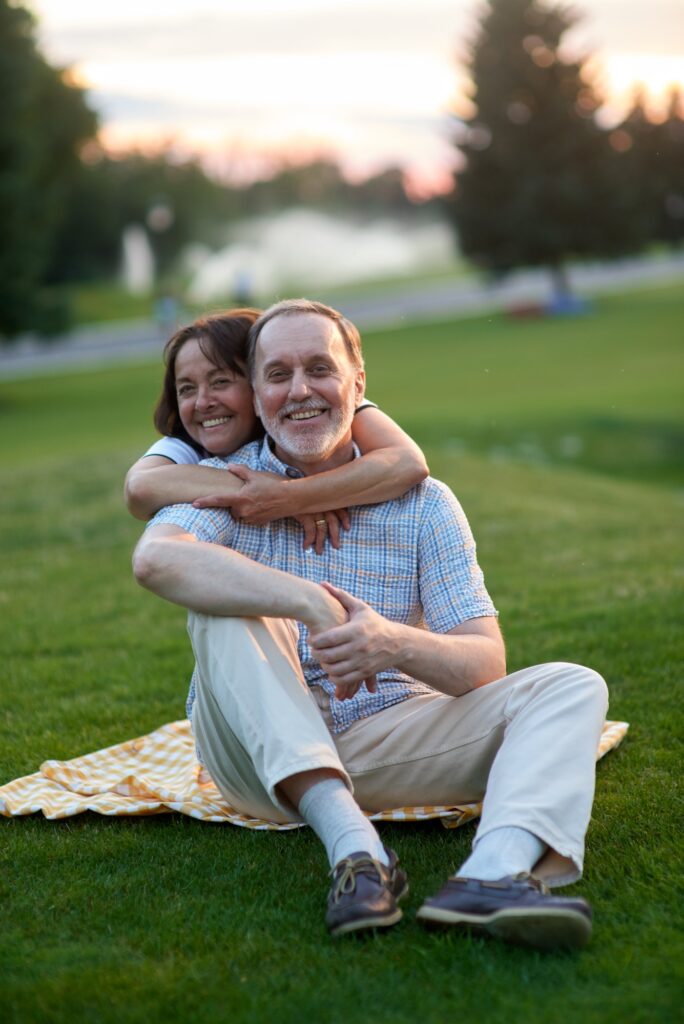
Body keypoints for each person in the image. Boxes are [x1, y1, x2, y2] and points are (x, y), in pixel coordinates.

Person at [132, 298, 608, 950]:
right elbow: (157, 558)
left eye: (319, 369)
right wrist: (307, 602)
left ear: (358, 384)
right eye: (277, 374)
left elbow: (482, 664)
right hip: (252, 758)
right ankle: (356, 850)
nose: (299, 390)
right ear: (258, 394)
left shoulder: (425, 504)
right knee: (224, 602)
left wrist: (389, 642)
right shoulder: (225, 482)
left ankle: (493, 874)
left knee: (572, 686)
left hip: (384, 740)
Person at [124, 307, 428, 554]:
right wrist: (266, 490)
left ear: (257, 384)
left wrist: (293, 496)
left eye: (220, 382)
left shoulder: (326, 408)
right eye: (187, 389)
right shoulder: (188, 442)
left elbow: (407, 463)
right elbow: (140, 487)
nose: (203, 402)